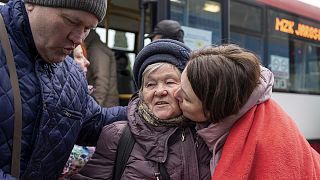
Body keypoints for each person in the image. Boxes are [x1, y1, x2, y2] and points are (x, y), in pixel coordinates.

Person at [0, 0, 127, 179]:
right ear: (31, 3)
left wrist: (147, 109)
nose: (78, 39)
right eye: (72, 21)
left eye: (87, 29)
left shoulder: (70, 72)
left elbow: (93, 123)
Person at [71, 39, 211, 180]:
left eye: (169, 82)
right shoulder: (118, 136)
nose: (159, 91)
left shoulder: (208, 133)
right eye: (150, 84)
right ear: (142, 93)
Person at [174, 44, 320, 179]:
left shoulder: (270, 150)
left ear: (213, 109)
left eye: (186, 98)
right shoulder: (242, 111)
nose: (176, 94)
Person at [85, 30, 119, 107]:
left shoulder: (96, 49)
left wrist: (96, 106)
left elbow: (101, 80)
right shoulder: (95, 47)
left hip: (105, 106)